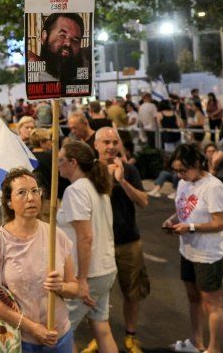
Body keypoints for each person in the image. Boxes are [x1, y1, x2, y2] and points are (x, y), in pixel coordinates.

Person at [0, 168, 78, 352]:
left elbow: (74, 288)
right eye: (22, 192)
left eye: (34, 191)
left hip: (60, 338)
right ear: (9, 202)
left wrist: (61, 287)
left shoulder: (56, 235)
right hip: (21, 341)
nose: (31, 198)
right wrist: (32, 327)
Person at [88, 128, 149, 353]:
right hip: (98, 244)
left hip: (128, 242)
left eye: (115, 142)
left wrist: (122, 181)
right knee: (97, 294)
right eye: (106, 142)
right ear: (96, 145)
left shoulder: (129, 170)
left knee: (132, 292)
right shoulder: (88, 171)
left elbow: (143, 201)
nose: (111, 146)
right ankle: (99, 337)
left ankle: (130, 336)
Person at [163, 144, 223, 353]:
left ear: (197, 163)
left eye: (183, 170)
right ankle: (196, 342)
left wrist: (190, 227)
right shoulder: (184, 183)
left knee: (212, 304)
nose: (179, 175)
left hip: (208, 254)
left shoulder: (214, 187)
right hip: (187, 250)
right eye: (176, 171)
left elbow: (221, 223)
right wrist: (172, 220)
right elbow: (184, 209)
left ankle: (214, 349)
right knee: (193, 298)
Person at [56, 141, 118, 353]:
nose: (58, 165)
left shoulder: (76, 191)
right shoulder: (98, 187)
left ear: (72, 162)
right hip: (105, 269)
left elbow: (86, 237)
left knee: (60, 333)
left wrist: (81, 279)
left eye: (60, 160)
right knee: (101, 328)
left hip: (89, 274)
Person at [26, 13, 90, 84]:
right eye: (62, 35)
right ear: (44, 37)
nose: (68, 43)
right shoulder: (30, 71)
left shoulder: (85, 65)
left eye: (75, 40)